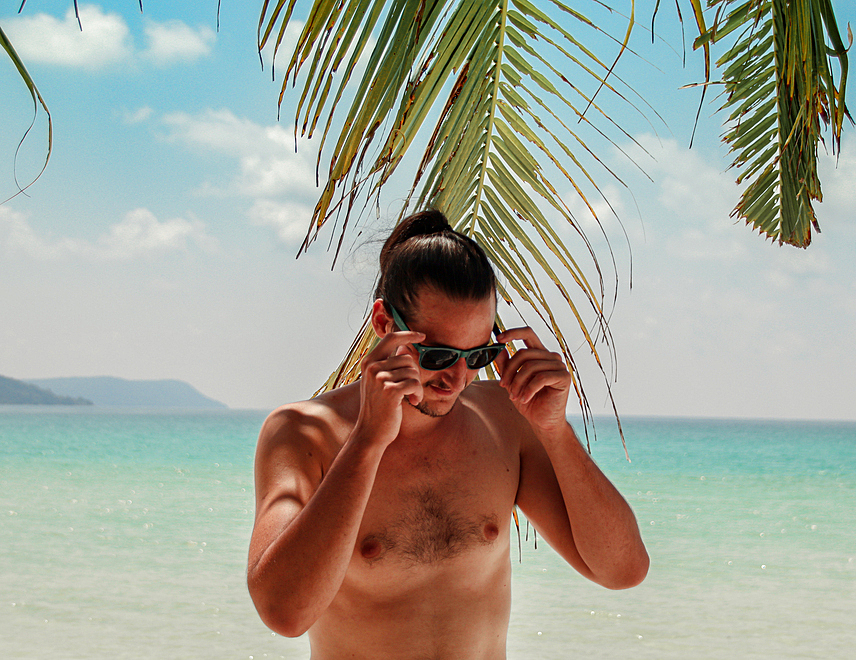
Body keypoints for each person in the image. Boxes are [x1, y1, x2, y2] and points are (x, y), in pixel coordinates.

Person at [247, 209, 649, 659]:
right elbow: (283, 613)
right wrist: (367, 441)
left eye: (478, 354)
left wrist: (554, 431)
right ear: (384, 324)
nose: (457, 379)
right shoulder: (303, 433)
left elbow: (623, 570)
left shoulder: (505, 421)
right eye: (437, 355)